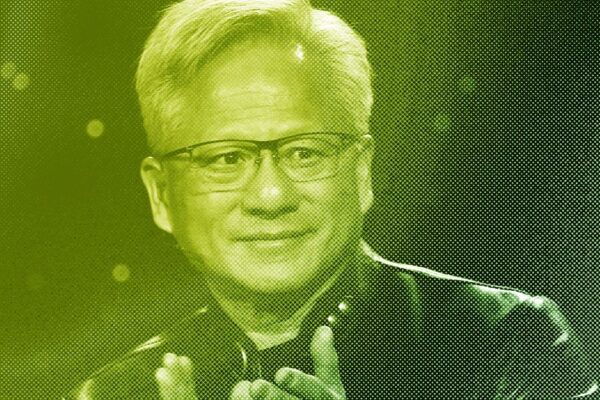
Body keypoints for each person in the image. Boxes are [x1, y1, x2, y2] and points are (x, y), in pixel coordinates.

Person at [67, 0, 597, 398]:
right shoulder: (114, 392)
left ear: (362, 171)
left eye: (305, 153)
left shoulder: (507, 340)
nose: (270, 196)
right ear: (162, 194)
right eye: (225, 159)